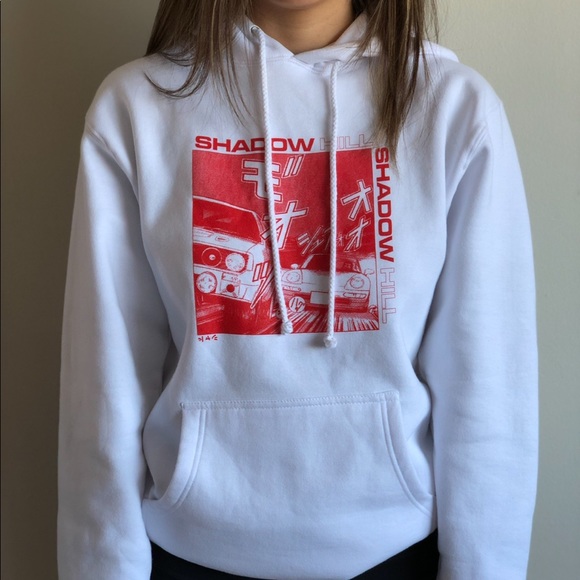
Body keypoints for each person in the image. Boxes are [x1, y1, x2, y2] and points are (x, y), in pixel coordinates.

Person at [58, 1, 538, 578]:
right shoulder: (137, 106)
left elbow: (488, 385)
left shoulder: (453, 107)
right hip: (188, 551)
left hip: (396, 554)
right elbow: (102, 385)